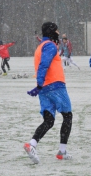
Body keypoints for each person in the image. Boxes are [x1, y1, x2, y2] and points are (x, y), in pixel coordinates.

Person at [24, 22, 73, 164]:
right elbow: (44, 64)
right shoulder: (50, 46)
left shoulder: (41, 47)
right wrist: (39, 84)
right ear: (52, 31)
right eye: (57, 30)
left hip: (45, 89)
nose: (58, 33)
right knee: (67, 116)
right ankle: (62, 151)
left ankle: (32, 145)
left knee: (49, 121)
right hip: (55, 86)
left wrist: (40, 86)